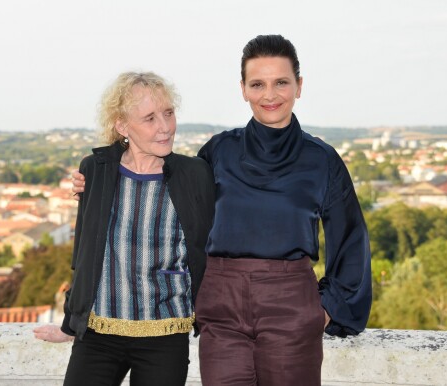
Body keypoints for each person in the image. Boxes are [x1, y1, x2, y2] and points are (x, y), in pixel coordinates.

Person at [72, 35, 372, 386]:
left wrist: (322, 311)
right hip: (221, 306)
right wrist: (93, 181)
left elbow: (351, 240)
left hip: (291, 301)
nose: (270, 95)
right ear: (243, 89)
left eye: (281, 83)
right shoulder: (217, 152)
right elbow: (163, 196)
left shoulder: (322, 161)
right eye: (257, 84)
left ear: (299, 86)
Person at [34, 71, 215, 386]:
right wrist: (70, 322)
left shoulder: (195, 173)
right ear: (122, 126)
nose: (165, 126)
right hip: (98, 332)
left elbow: (209, 249)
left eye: (168, 113)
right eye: (149, 118)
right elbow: (85, 252)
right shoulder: (96, 171)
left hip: (165, 333)